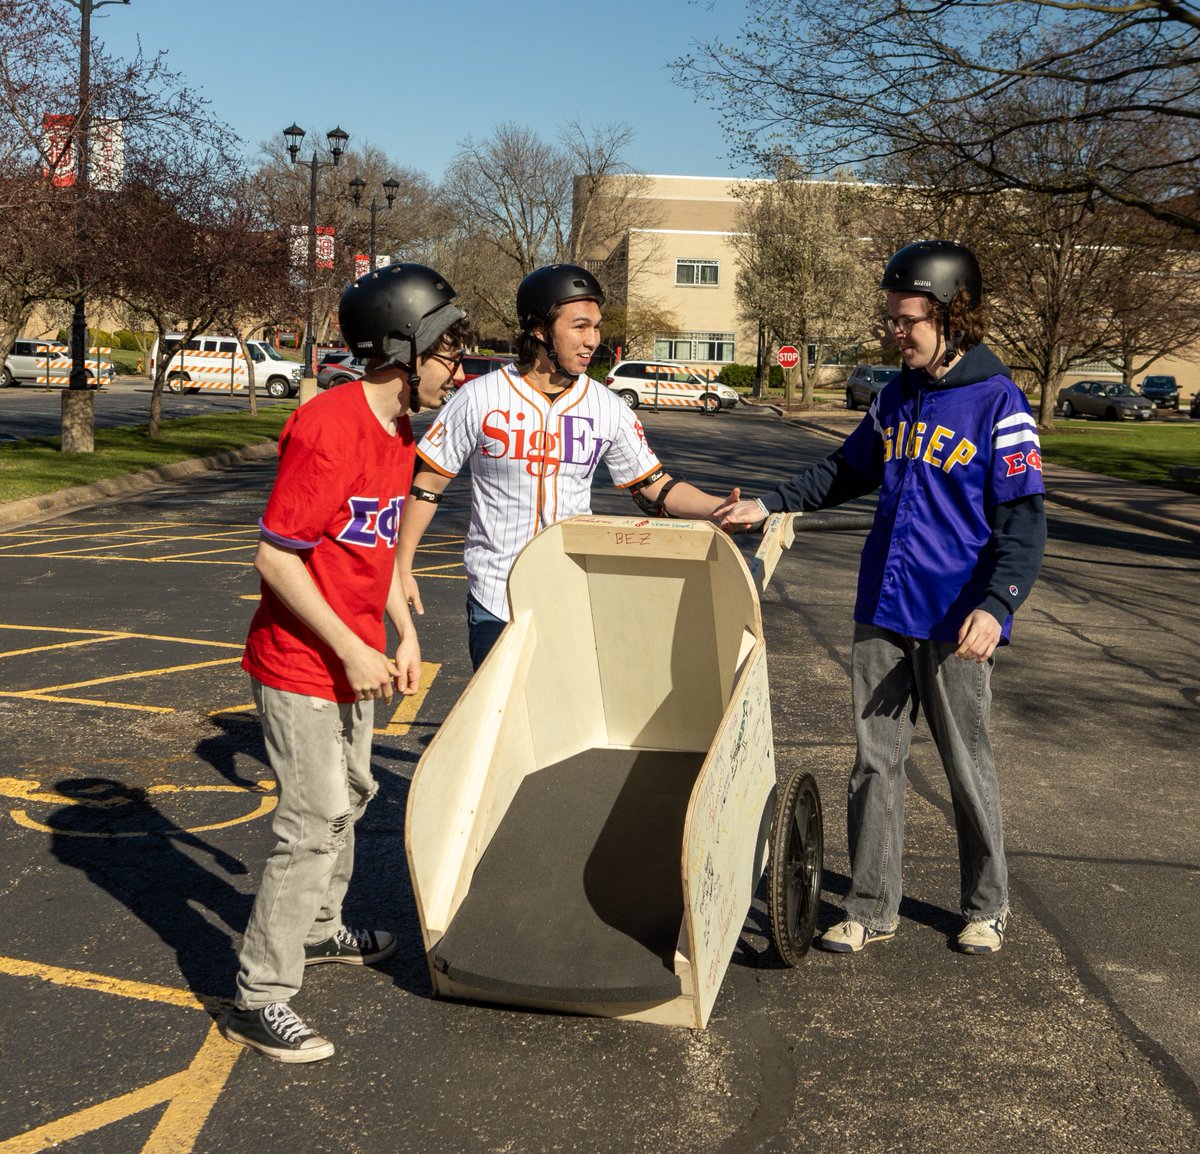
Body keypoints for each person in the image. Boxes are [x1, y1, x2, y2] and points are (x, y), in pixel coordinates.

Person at [716, 239, 1045, 956]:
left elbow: (1023, 522)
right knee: (873, 763)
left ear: (954, 317)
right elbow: (844, 472)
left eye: (908, 322)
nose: (895, 333)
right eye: (892, 320)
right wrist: (768, 503)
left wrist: (998, 605)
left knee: (967, 765)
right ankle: (871, 905)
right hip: (883, 607)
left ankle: (986, 906)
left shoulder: (1000, 403)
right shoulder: (895, 397)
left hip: (958, 618)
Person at [223, 264, 469, 1062]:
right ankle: (260, 994)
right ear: (404, 347)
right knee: (312, 823)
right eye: (448, 354)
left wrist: (402, 631)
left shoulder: (400, 432)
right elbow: (277, 559)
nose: (457, 371)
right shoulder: (329, 428)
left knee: (356, 794)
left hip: (356, 652)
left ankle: (321, 929)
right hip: (302, 662)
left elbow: (372, 554)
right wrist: (353, 646)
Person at [397, 263, 736, 669]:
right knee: (500, 724)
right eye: (579, 327)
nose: (592, 340)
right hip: (494, 596)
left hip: (570, 592)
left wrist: (718, 508)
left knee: (561, 724)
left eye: (596, 327)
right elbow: (427, 484)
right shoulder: (480, 397)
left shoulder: (607, 406)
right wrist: (402, 567)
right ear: (540, 329)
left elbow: (655, 487)